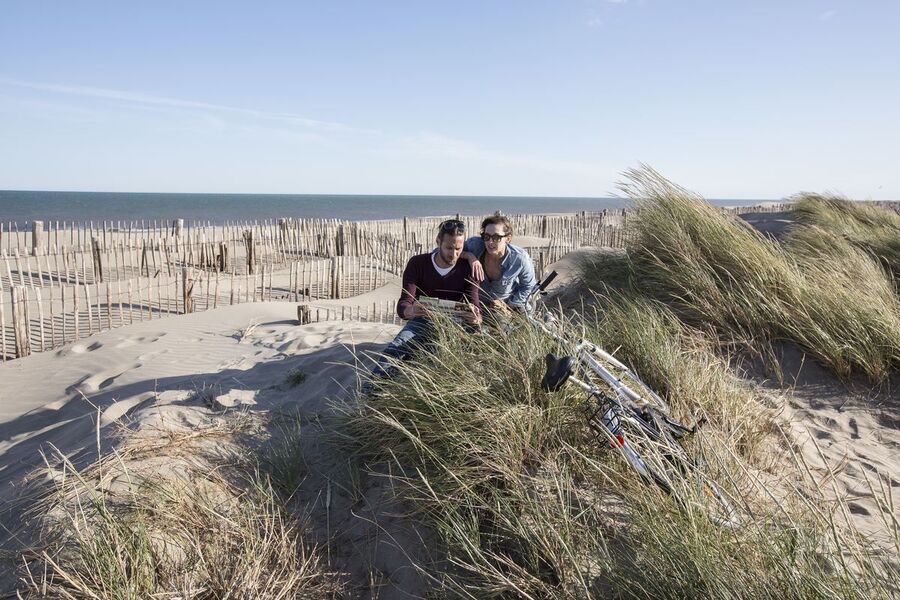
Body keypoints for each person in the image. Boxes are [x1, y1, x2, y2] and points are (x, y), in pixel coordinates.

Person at [369, 219, 482, 379]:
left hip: (458, 323)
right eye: (449, 248)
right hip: (423, 320)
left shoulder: (468, 268)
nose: (454, 254)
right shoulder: (418, 263)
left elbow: (475, 305)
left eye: (459, 248)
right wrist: (411, 310)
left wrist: (474, 317)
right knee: (394, 351)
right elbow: (403, 305)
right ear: (438, 242)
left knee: (476, 356)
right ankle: (369, 395)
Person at [463, 214, 536, 315]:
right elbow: (447, 252)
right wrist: (469, 256)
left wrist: (509, 306)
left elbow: (528, 286)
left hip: (508, 308)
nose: (490, 242)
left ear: (508, 238)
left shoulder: (519, 258)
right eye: (486, 236)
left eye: (496, 237)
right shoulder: (475, 246)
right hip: (478, 308)